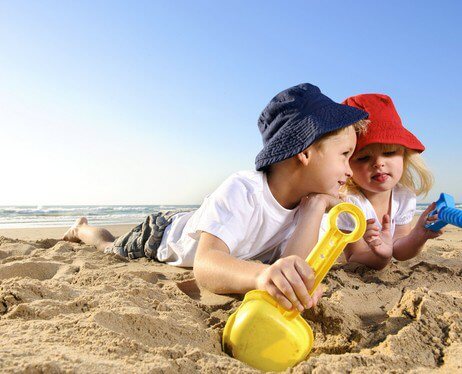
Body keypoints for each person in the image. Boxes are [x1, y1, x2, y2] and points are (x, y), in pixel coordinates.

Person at [63, 83, 368, 312]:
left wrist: (314, 208)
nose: (349, 170)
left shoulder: (306, 201)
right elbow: (206, 265)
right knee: (109, 247)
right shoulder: (245, 190)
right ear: (305, 151)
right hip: (163, 234)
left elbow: (293, 265)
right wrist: (262, 276)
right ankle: (81, 229)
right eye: (344, 155)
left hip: (200, 228)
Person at [337, 93, 442, 270]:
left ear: (404, 155)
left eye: (389, 153)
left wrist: (419, 235)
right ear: (347, 164)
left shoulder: (403, 197)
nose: (379, 163)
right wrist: (381, 256)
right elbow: (354, 256)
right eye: (363, 157)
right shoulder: (349, 202)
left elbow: (399, 250)